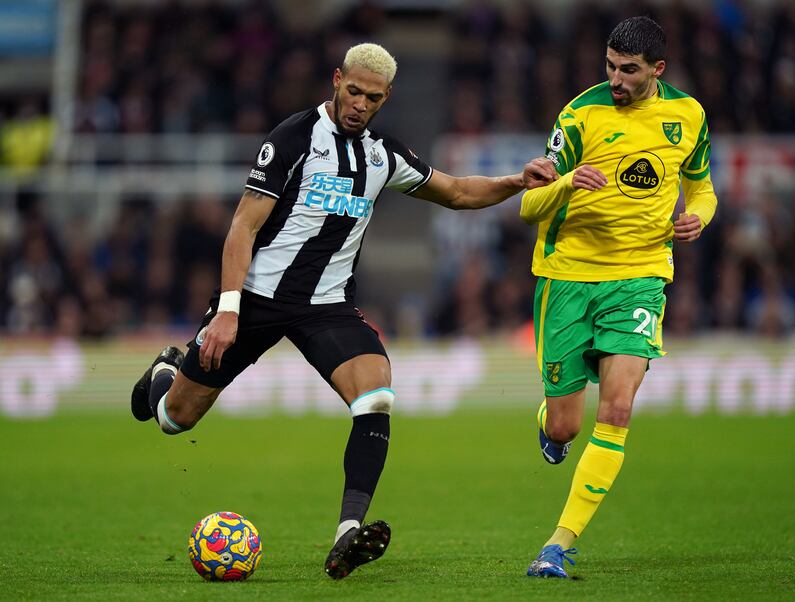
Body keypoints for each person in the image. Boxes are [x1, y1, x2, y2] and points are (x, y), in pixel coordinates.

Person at [130, 43, 558, 580]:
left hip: (327, 308)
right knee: (174, 419)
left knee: (376, 394)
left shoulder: (384, 156)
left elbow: (455, 192)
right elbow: (242, 226)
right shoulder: (291, 139)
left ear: (386, 98)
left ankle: (347, 534)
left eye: (372, 98)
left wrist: (516, 182)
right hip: (257, 299)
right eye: (352, 91)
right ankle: (168, 372)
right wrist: (229, 309)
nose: (359, 104)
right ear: (336, 80)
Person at [518, 17, 718, 578]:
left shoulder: (689, 115)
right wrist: (564, 183)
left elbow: (702, 187)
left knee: (618, 409)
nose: (615, 79)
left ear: (657, 70)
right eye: (610, 66)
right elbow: (528, 208)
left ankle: (557, 544)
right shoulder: (580, 115)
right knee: (565, 427)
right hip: (567, 277)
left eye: (628, 70)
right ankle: (551, 419)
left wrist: (698, 216)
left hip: (641, 276)